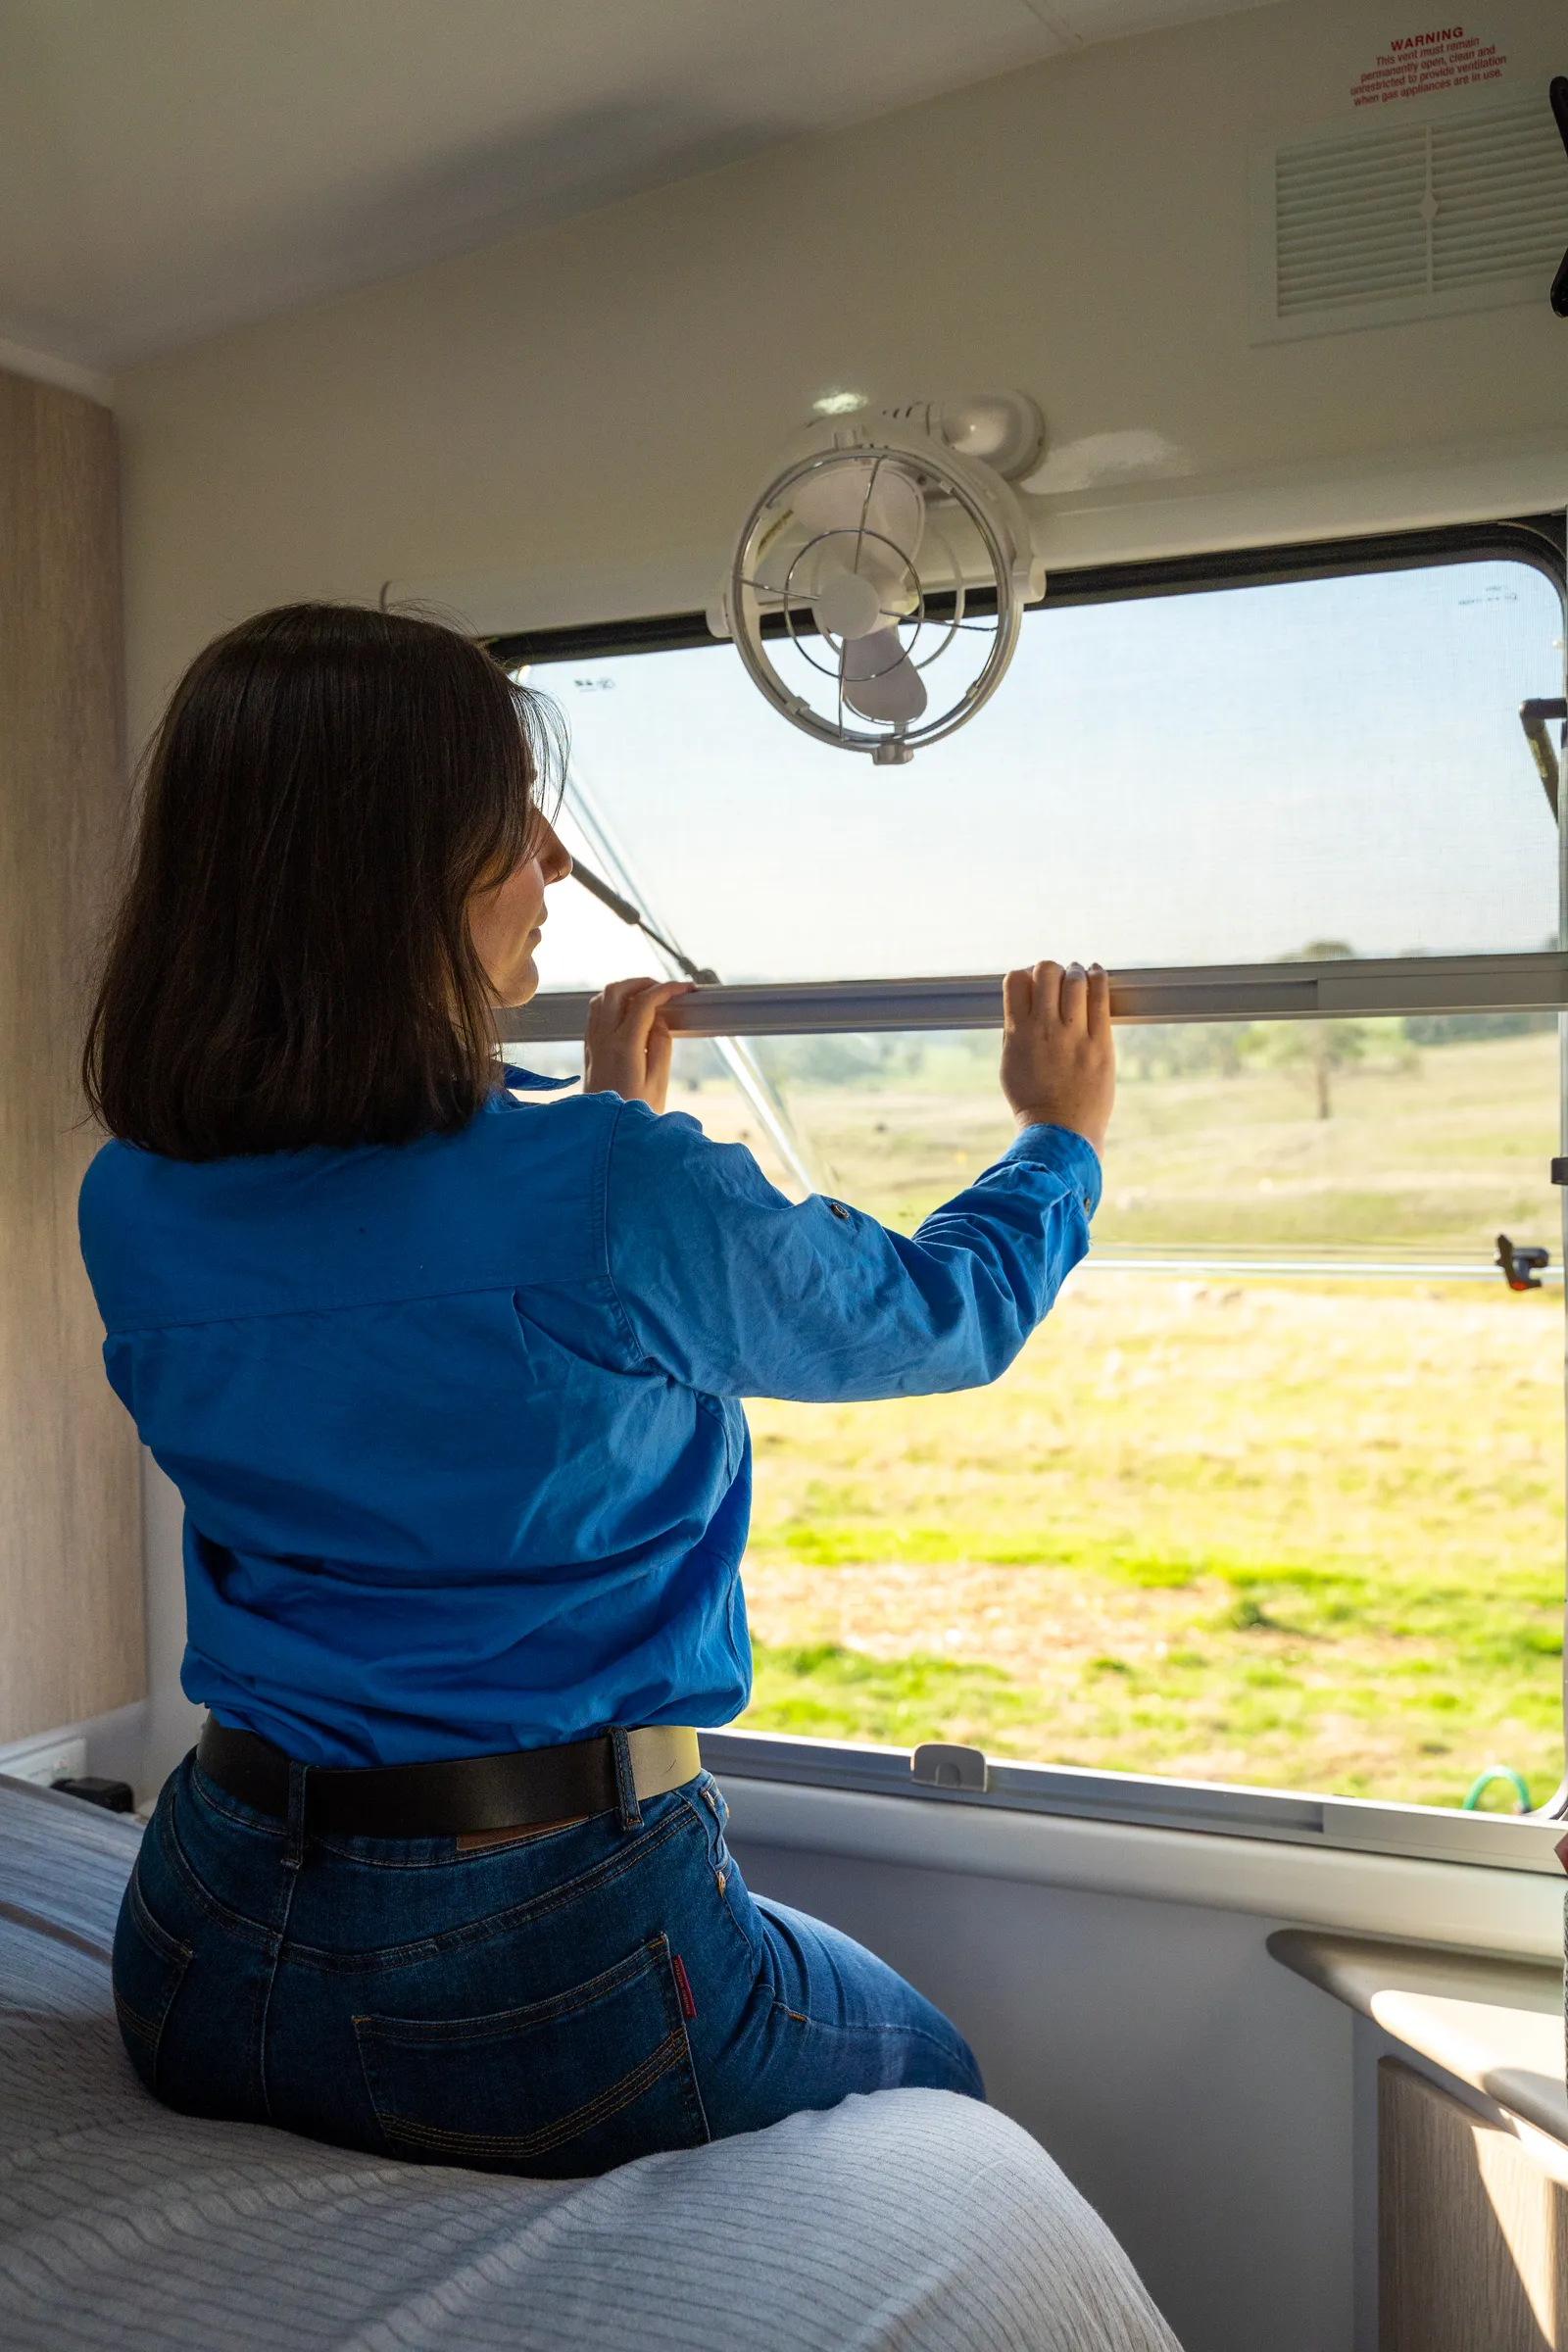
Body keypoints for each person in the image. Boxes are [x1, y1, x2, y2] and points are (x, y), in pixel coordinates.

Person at [79, 603, 1114, 2179]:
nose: (555, 862)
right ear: (400, 880)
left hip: (204, 1941)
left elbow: (400, 1319)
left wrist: (596, 1126)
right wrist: (1058, 1138)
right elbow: (935, 1316)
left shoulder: (135, 1199)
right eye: (514, 825)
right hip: (541, 1955)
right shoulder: (609, 1196)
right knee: (937, 2075)